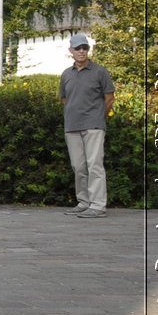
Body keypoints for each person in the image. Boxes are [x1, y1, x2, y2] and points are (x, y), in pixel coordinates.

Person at [60, 33, 116, 219]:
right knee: (78, 166)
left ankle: (98, 205)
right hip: (72, 126)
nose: (81, 51)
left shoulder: (100, 72)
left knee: (95, 165)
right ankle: (84, 202)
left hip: (93, 125)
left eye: (84, 47)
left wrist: (99, 117)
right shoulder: (66, 74)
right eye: (78, 48)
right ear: (71, 51)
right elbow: (64, 99)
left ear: (88, 50)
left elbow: (109, 98)